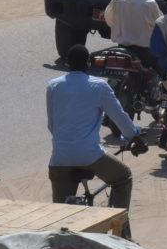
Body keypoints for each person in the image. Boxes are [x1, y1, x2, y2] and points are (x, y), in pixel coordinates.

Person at [46, 44, 142, 227]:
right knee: (123, 177)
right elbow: (120, 117)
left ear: (67, 63)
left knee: (60, 216)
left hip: (59, 157)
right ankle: (118, 228)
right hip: (90, 156)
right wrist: (133, 133)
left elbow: (52, 124)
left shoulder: (53, 86)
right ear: (88, 63)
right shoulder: (99, 86)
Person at [103, 0, 161, 69]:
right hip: (143, 51)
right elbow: (160, 25)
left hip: (121, 48)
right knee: (158, 72)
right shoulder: (150, 3)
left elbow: (109, 19)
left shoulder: (117, 0)